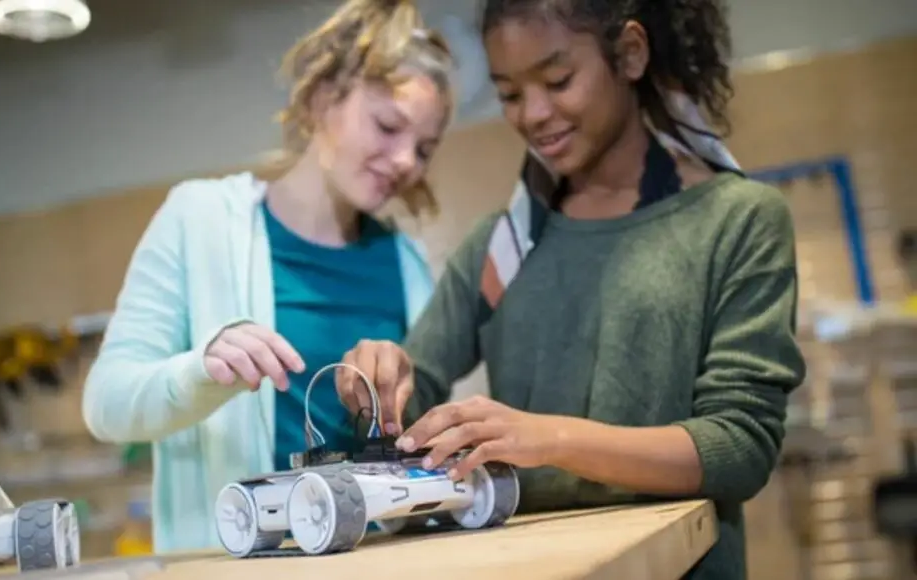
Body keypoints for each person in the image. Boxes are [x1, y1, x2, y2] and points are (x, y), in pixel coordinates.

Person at [336, 0, 806, 578]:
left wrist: (549, 438)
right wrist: (379, 386)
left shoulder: (736, 221)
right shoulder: (501, 246)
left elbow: (740, 448)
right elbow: (414, 399)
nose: (533, 114)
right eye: (509, 94)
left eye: (558, 81)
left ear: (630, 54)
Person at [81, 0, 455, 552]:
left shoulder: (408, 262)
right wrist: (202, 372)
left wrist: (401, 397)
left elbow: (428, 437)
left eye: (424, 149)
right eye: (388, 126)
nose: (406, 162)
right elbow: (105, 405)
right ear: (324, 96)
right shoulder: (198, 219)